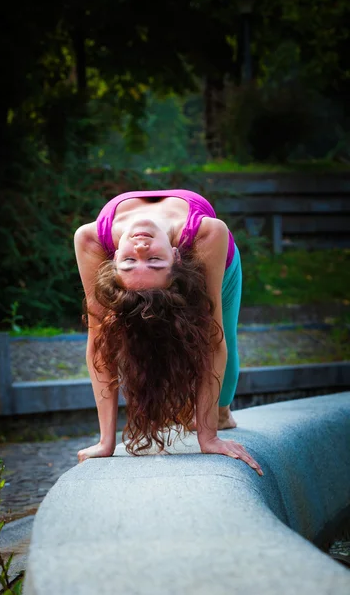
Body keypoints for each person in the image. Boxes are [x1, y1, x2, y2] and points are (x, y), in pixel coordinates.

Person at [74, 189, 263, 476]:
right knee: (220, 336)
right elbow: (99, 344)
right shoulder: (206, 232)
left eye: (130, 261)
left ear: (113, 261)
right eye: (152, 261)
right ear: (173, 256)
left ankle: (220, 413)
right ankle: (218, 413)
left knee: (218, 331)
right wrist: (106, 441)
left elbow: (213, 340)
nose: (140, 250)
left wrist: (208, 434)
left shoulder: (91, 237)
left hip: (212, 264)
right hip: (206, 254)